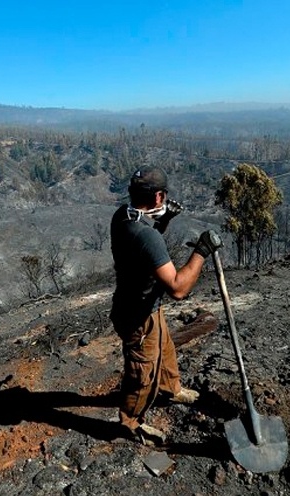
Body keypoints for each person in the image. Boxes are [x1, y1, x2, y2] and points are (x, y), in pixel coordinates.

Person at [109, 166, 222, 446]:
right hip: (138, 316)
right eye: (164, 196)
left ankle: (170, 389)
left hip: (141, 304)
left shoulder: (122, 216)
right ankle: (130, 424)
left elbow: (143, 248)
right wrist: (202, 251)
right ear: (159, 197)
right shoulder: (148, 237)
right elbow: (178, 288)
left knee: (165, 349)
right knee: (141, 372)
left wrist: (164, 221)